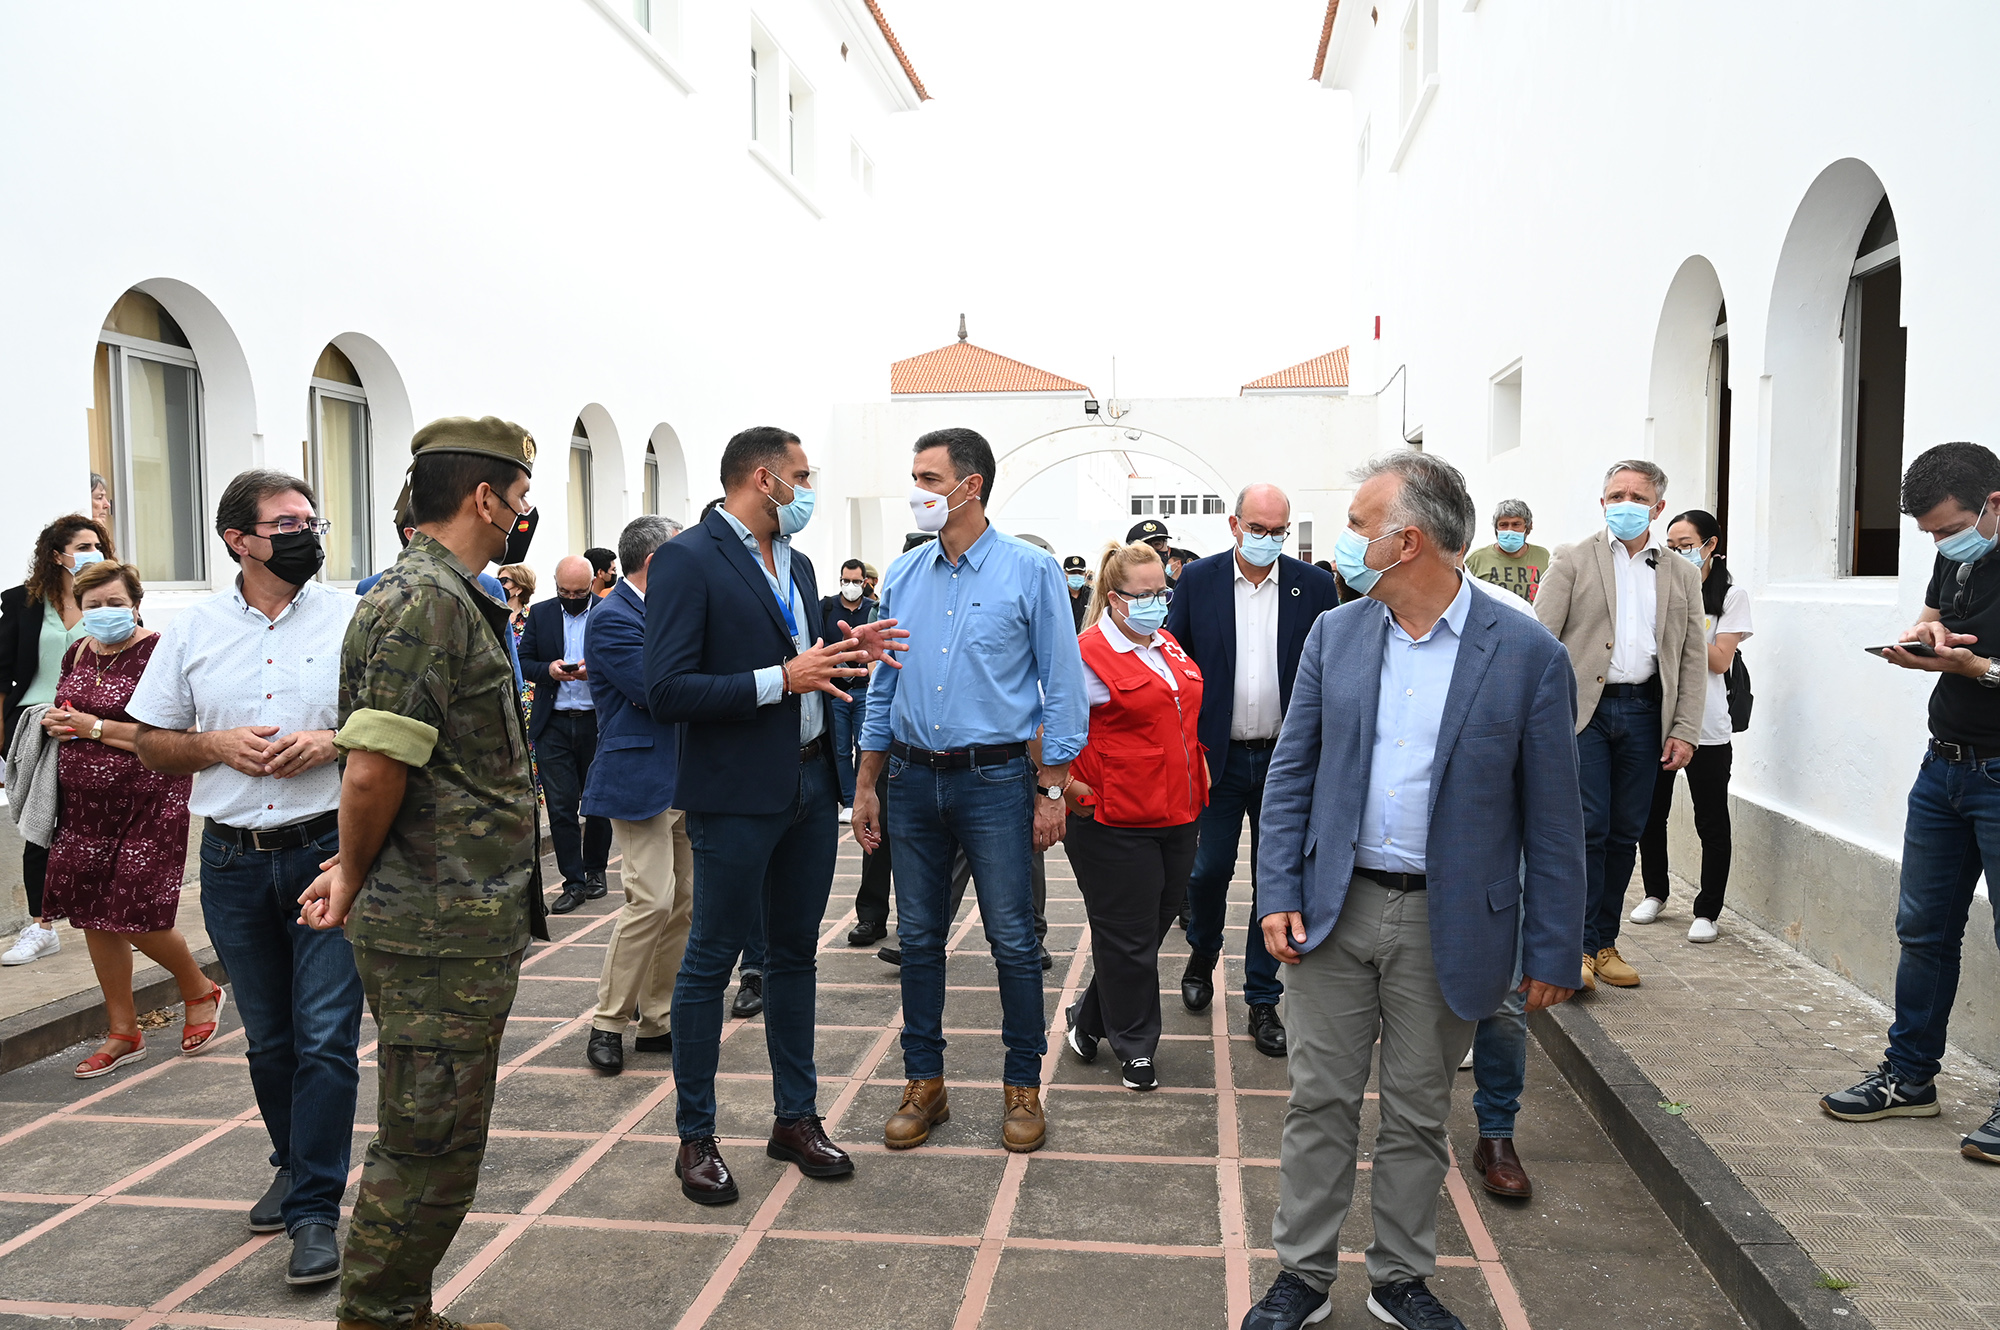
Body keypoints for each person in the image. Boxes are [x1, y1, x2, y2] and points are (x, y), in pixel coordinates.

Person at [1244, 450, 1584, 1330]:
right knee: (1318, 1099)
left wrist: (1553, 949)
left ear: (1410, 541)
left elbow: (1553, 823)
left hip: (1452, 920)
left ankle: (1401, 1279)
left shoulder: (1526, 656)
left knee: (1419, 1109)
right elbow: (1293, 774)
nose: (1349, 544)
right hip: (1335, 906)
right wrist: (1276, 885)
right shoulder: (1338, 633)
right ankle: (1303, 1278)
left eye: (1362, 528)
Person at [297, 416, 547, 1330]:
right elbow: (373, 766)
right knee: (427, 1143)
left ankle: (398, 1307)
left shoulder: (442, 592)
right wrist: (352, 871)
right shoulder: (426, 601)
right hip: (435, 921)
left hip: (458, 914)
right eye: (520, 495)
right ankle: (380, 1316)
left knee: (440, 1135)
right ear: (486, 497)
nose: (524, 512)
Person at [644, 425, 902, 1205]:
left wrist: (844, 645)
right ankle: (697, 1137)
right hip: (733, 796)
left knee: (795, 956)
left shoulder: (796, 560)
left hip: (806, 788)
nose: (809, 486)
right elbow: (668, 690)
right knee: (710, 962)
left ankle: (795, 1117)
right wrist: (778, 679)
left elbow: (803, 658)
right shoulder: (689, 559)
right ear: (764, 479)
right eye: (802, 474)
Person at [129, 469, 363, 1288]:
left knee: (328, 1038)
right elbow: (150, 741)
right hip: (231, 859)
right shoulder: (192, 630)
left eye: (312, 519)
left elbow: (399, 719)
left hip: (329, 852)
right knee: (271, 1039)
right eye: (288, 522)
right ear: (239, 538)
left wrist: (333, 741)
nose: (308, 533)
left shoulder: (350, 618)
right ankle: (293, 1161)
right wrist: (216, 746)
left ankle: (315, 1212)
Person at [854, 427, 1086, 1155]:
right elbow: (884, 686)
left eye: (928, 477)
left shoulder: (1031, 570)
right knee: (918, 939)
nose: (918, 490)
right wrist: (867, 780)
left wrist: (1053, 787)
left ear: (970, 485)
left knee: (1014, 942)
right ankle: (926, 1082)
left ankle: (1023, 1087)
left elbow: (1063, 685)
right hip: (912, 779)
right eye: (915, 476)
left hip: (996, 780)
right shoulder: (902, 575)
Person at [1822, 441, 2000, 1165]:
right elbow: (1932, 616)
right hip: (1944, 768)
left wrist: (1973, 666)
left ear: (1994, 502)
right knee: (1923, 931)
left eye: (1946, 526)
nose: (1939, 541)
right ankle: (1909, 1078)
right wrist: (1925, 638)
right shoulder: (1957, 553)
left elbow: (1980, 663)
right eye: (1928, 533)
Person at [1163, 484, 1340, 1058]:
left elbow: (1330, 671)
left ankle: (1262, 998)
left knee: (1277, 881)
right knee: (1208, 870)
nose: (1268, 539)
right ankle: (1202, 949)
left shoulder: (1312, 586)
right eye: (1258, 528)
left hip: (1287, 762)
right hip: (1217, 758)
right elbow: (1174, 663)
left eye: (1278, 530)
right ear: (1235, 525)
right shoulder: (1199, 581)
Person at [1534, 459, 1705, 991]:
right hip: (1584, 713)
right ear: (1603, 502)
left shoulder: (1680, 571)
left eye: (1637, 495)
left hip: (1646, 713)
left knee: (1625, 833)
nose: (1624, 503)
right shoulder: (1572, 559)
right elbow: (1541, 641)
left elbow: (1693, 654)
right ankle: (1577, 947)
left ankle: (1604, 943)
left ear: (1657, 507)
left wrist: (1685, 729)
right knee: (1587, 829)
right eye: (1615, 494)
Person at [43, 560, 215, 1079]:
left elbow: (170, 733)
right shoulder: (78, 650)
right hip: (84, 806)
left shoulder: (158, 651)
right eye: (92, 605)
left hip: (148, 797)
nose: (103, 613)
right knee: (92, 912)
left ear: (136, 602)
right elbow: (65, 710)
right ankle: (123, 1031)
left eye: (114, 603)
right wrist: (56, 721)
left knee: (134, 911)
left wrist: (90, 727)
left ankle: (199, 989)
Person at [1060, 541, 1205, 1091]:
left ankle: (1089, 1018)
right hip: (1113, 818)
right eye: (1142, 595)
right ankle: (1137, 1047)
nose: (1155, 602)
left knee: (1146, 932)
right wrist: (1063, 786)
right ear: (1114, 599)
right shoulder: (1085, 652)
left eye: (1161, 592)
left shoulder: (1166, 644)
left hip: (1178, 811)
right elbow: (1042, 722)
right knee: (1128, 936)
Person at [582, 515, 691, 1074]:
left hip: (686, 778)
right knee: (649, 900)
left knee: (682, 904)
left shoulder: (667, 611)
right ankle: (608, 1021)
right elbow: (658, 692)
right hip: (639, 777)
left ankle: (658, 1018)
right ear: (655, 562)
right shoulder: (611, 617)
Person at [1632, 509, 1750, 943]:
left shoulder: (1732, 597)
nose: (1678, 552)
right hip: (1659, 718)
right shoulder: (1659, 588)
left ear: (1710, 546)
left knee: (1711, 819)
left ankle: (1707, 910)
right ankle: (1655, 893)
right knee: (1650, 814)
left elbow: (1720, 660)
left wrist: (1683, 619)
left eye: (1687, 544)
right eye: (1671, 544)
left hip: (1708, 725)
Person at [0, 513, 108, 966]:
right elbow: (4, 675)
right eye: (82, 547)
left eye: (97, 545)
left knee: (96, 823)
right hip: (33, 730)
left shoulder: (110, 602)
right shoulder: (21, 604)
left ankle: (102, 911)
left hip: (92, 727)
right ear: (56, 554)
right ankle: (41, 925)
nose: (91, 555)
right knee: (40, 826)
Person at [519, 555, 612, 913]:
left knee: (598, 801)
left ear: (592, 584)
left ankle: (596, 871)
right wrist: (550, 670)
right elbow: (524, 660)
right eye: (564, 591)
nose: (571, 598)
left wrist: (596, 671)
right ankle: (572, 881)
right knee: (560, 807)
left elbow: (626, 658)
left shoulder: (606, 611)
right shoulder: (541, 615)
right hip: (553, 722)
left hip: (596, 722)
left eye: (579, 592)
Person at [820, 558, 879, 821]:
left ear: (865, 582)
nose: (851, 586)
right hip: (835, 690)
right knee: (841, 748)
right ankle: (846, 800)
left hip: (864, 690)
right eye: (846, 581)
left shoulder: (873, 609)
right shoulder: (828, 607)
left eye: (856, 581)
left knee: (863, 744)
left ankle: (861, 796)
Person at [1464, 499, 1551, 603]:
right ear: (1496, 528)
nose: (1509, 530)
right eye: (1503, 525)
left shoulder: (1543, 557)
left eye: (1516, 524)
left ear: (1528, 526)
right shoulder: (1477, 559)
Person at [497, 563, 536, 635]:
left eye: (503, 581)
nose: (498, 585)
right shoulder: (492, 612)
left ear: (519, 588)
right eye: (497, 580)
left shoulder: (533, 618)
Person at [1062, 555, 1091, 631]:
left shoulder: (1092, 596)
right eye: (1072, 572)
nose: (1076, 575)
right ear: (1064, 574)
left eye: (1080, 573)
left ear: (1085, 575)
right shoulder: (1058, 596)